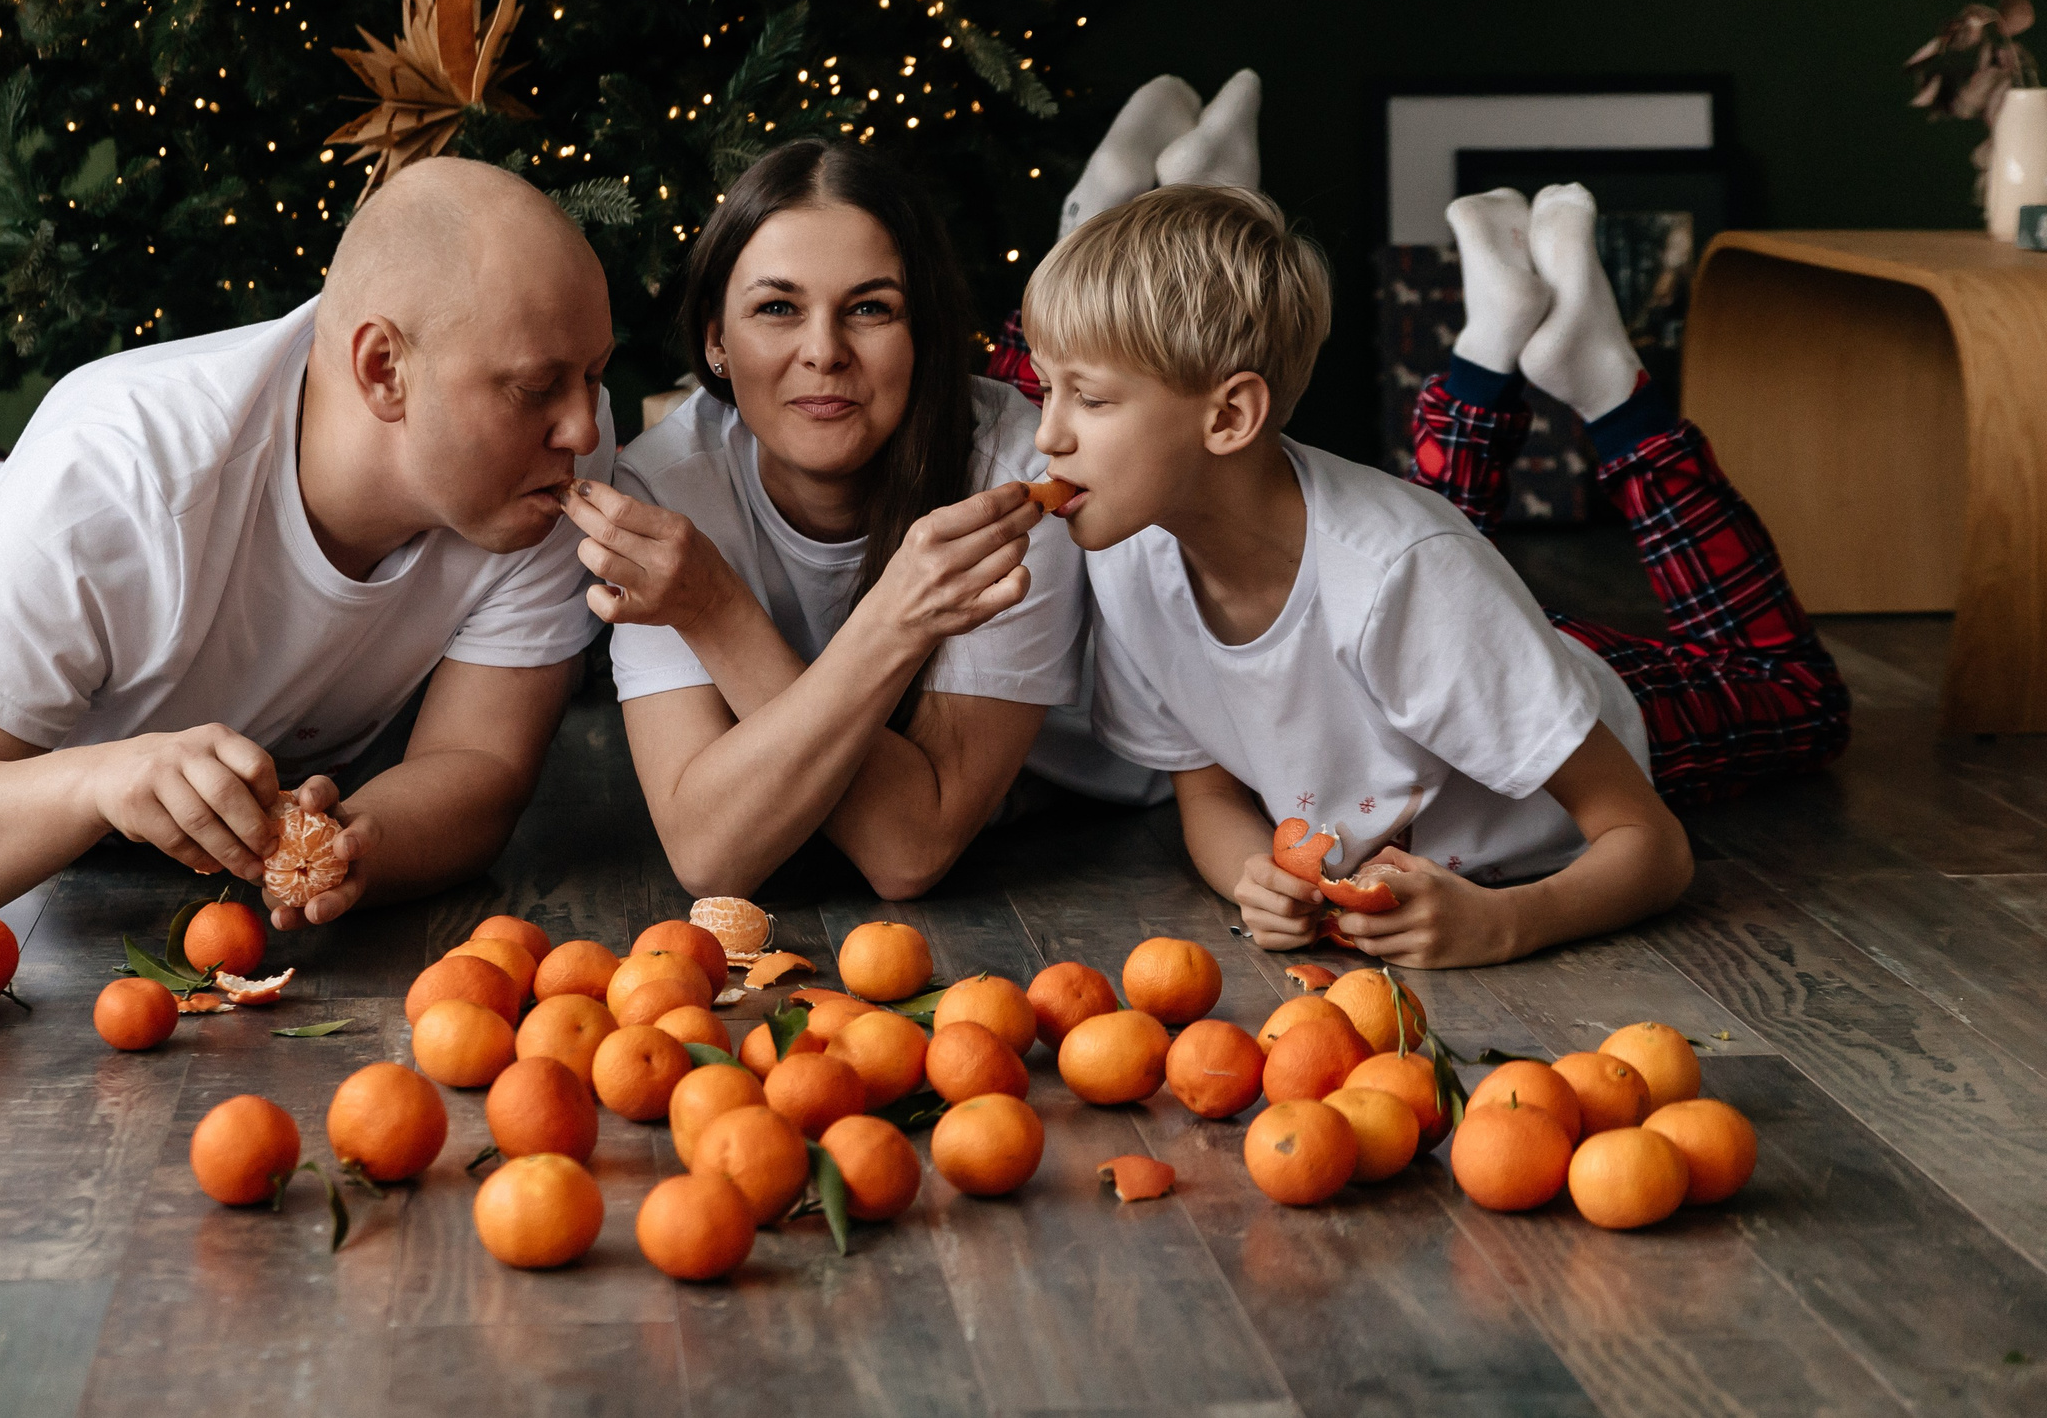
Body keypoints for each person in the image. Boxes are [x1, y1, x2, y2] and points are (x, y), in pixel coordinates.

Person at [0, 158, 617, 927]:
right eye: (536, 389)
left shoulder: (542, 466)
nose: (582, 427)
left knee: (30, 508)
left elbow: (479, 764)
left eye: (596, 378)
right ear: (383, 369)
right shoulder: (123, 474)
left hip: (32, 528)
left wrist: (363, 842)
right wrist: (102, 776)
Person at [1015, 183, 1847, 969]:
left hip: (1599, 711)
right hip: (1449, 659)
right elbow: (1205, 793)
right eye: (1045, 389)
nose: (1046, 435)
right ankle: (1499, 347)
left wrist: (1507, 920)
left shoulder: (1403, 580)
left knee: (1799, 695)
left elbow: (1653, 848)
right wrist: (1253, 878)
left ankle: (1610, 389)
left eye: (1087, 399)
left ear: (1230, 416)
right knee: (1409, 566)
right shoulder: (1125, 553)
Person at [558, 140, 1163, 903]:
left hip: (1106, 827)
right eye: (777, 308)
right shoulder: (665, 487)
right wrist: (718, 603)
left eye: (871, 308)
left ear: (924, 331)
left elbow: (911, 848)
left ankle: (1134, 200)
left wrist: (719, 607)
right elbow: (710, 857)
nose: (824, 353)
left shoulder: (1017, 474)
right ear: (716, 338)